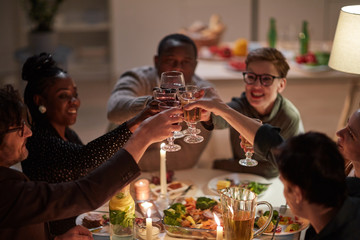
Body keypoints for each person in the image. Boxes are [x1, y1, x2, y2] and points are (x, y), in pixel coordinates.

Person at [0, 84, 182, 240]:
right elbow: (85, 191)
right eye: (18, 128)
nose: (28, 133)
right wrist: (143, 137)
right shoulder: (6, 190)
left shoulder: (66, 134)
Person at [184, 88, 360, 239]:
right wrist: (221, 109)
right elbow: (275, 146)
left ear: (297, 193)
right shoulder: (340, 186)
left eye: (351, 134)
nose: (338, 132)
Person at [20, 53, 157, 235]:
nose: (74, 102)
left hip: (82, 226)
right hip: (60, 234)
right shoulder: (38, 141)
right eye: (64, 96)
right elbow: (84, 160)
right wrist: (137, 124)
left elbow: (94, 166)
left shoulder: (67, 133)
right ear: (40, 101)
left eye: (75, 95)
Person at [106, 33, 214, 171]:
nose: (178, 68)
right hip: (119, 171)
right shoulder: (137, 78)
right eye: (170, 60)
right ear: (156, 60)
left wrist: (128, 158)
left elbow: (186, 159)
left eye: (186, 62)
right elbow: (114, 110)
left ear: (195, 65)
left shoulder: (200, 93)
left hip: (138, 167)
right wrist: (151, 105)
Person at [210, 47, 303, 178]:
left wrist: (223, 165)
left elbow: (277, 169)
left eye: (266, 79)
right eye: (251, 77)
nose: (256, 85)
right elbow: (218, 121)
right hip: (243, 181)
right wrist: (207, 115)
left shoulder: (289, 117)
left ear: (281, 85)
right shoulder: (240, 106)